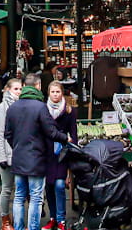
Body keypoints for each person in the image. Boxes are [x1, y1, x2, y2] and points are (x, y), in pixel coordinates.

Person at [5, 73, 69, 230]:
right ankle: (32, 228)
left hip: (19, 157)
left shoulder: (13, 107)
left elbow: (7, 134)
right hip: (37, 159)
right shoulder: (40, 107)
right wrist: (66, 138)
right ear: (38, 86)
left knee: (19, 196)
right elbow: (51, 132)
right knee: (36, 197)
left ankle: (19, 228)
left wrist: (18, 147)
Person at [43, 81, 77, 230]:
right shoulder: (42, 110)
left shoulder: (69, 110)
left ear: (62, 93)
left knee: (59, 184)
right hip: (47, 153)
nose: (55, 95)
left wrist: (72, 151)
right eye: (52, 92)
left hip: (62, 152)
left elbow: (74, 134)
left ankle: (61, 219)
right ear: (48, 93)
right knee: (49, 186)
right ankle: (53, 218)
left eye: (58, 92)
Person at [0, 78, 23, 230]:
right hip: (6, 154)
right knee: (6, 189)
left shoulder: (21, 106)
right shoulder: (1, 108)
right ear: (7, 89)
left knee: (19, 190)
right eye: (15, 89)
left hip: (19, 154)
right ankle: (5, 220)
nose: (18, 92)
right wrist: (1, 156)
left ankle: (17, 221)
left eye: (20, 89)